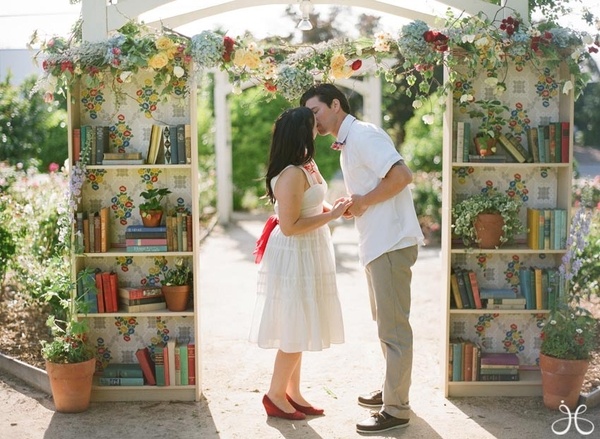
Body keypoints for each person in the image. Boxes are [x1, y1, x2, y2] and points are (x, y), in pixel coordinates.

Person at [300, 84, 425, 434]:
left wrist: (365, 200)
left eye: (316, 112)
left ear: (336, 105)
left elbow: (402, 176)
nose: (315, 121)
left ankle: (397, 409)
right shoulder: (350, 140)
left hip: (391, 242)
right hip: (378, 243)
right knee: (386, 326)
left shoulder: (364, 135)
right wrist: (360, 203)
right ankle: (391, 390)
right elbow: (376, 187)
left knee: (394, 329)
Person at [249, 106, 353, 421]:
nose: (317, 127)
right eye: (312, 125)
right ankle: (274, 394)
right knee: (296, 323)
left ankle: (293, 393)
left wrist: (333, 208)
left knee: (303, 322)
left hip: (311, 248)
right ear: (301, 132)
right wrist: (332, 216)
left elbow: (313, 202)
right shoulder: (291, 173)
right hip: (295, 251)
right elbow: (291, 226)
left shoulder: (306, 164)